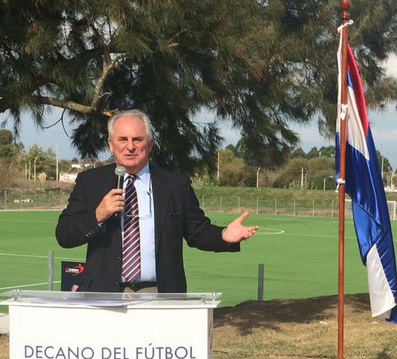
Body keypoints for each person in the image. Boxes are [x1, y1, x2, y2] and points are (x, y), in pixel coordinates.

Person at [56, 109, 257, 293]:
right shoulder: (90, 182)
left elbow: (197, 231)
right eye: (122, 139)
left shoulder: (175, 185)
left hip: (159, 292)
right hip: (105, 294)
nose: (130, 147)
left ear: (150, 144)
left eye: (137, 139)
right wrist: (98, 215)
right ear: (110, 144)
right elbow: (64, 235)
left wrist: (223, 235)